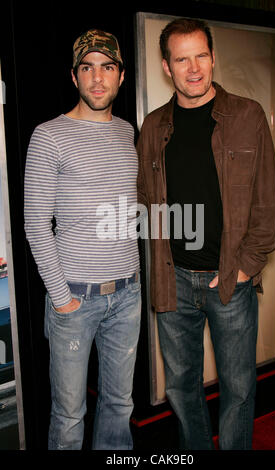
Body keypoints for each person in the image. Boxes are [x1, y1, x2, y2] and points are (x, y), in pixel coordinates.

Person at [136, 18, 275, 450]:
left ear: (213, 58)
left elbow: (266, 200)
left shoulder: (248, 115)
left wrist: (246, 267)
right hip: (173, 279)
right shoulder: (153, 126)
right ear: (167, 66)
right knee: (181, 387)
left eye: (201, 56)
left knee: (238, 388)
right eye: (182, 59)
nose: (193, 68)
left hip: (229, 280)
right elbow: (145, 201)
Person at [24, 29, 141, 450]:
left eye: (106, 67)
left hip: (127, 296)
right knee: (70, 415)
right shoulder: (49, 136)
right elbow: (36, 224)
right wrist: (61, 298)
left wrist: (137, 279)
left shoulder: (128, 132)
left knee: (119, 404)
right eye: (87, 68)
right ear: (74, 77)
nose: (97, 78)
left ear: (121, 76)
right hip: (73, 298)